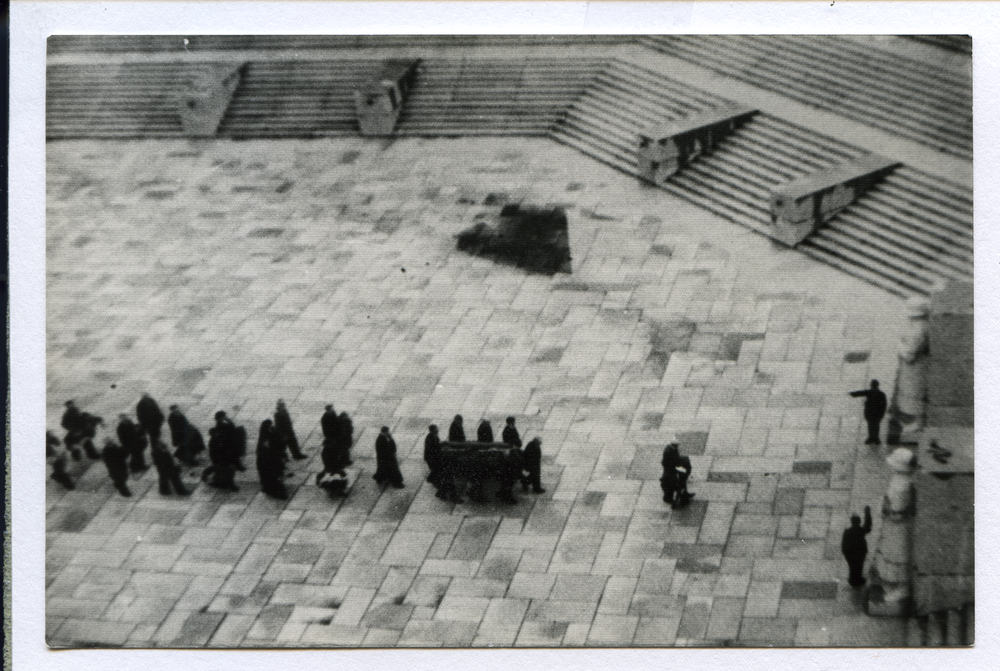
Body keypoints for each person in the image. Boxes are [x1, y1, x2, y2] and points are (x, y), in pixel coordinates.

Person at [206, 411, 239, 491]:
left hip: (221, 458)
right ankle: (230, 485)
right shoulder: (217, 437)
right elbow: (232, 429)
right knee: (227, 471)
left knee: (222, 471)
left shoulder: (217, 434)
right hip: (221, 458)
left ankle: (219, 483)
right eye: (224, 416)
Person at [841, 505, 873, 588]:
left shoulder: (847, 531)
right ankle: (858, 580)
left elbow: (843, 544)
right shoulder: (861, 530)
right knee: (859, 566)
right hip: (860, 552)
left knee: (852, 566)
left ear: (852, 522)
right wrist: (867, 513)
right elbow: (868, 525)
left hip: (850, 553)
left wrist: (845, 553)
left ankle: (853, 580)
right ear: (859, 522)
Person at [850, 380, 888, 445]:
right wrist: (882, 413)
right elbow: (884, 404)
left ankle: (871, 438)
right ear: (877, 385)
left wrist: (852, 394)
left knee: (870, 425)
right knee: (876, 425)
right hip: (878, 413)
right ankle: (876, 438)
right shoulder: (881, 394)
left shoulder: (870, 392)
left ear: (872, 385)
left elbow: (860, 393)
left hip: (870, 412)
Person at [256, 419, 287, 500]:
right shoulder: (264, 443)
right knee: (272, 479)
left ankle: (273, 490)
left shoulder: (272, 433)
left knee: (273, 478)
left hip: (272, 462)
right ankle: (276, 492)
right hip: (268, 463)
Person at [661, 442, 693, 509]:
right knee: (681, 482)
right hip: (670, 481)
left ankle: (684, 496)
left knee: (682, 478)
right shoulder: (670, 453)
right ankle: (683, 499)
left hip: (670, 476)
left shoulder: (670, 450)